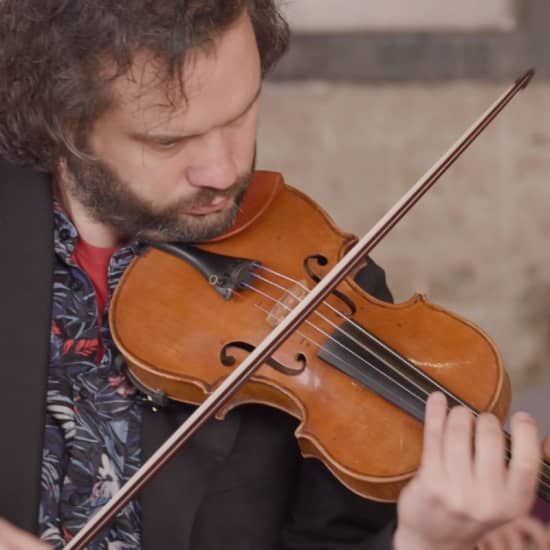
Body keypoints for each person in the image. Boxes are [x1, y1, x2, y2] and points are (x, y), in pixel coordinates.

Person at [0, 1, 546, 549]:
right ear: (65, 122)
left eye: (241, 113)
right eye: (169, 140)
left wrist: (421, 542)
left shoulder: (327, 288)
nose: (225, 171)